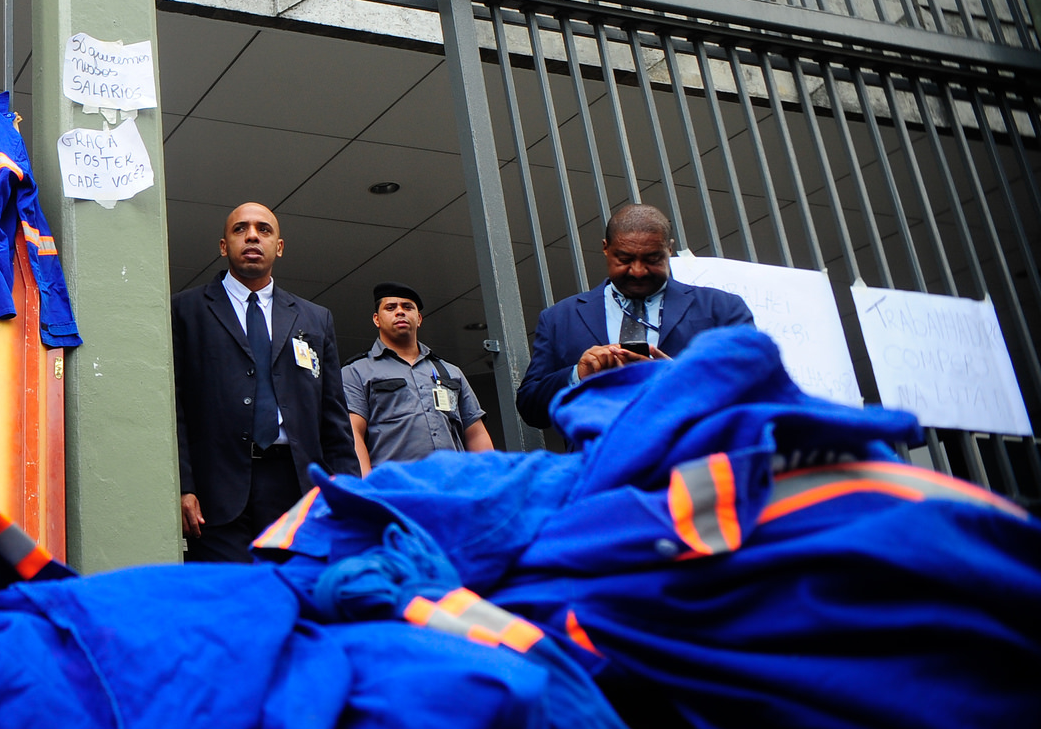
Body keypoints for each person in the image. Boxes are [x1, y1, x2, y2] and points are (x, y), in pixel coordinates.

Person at [171, 203, 361, 563]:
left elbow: (333, 416)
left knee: (296, 599)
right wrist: (184, 486)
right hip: (216, 491)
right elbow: (174, 408)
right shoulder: (185, 310)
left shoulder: (314, 319)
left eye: (264, 229)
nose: (253, 236)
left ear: (280, 246)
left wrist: (346, 493)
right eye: (240, 229)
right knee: (231, 604)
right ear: (224, 246)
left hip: (296, 488)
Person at [515, 202, 754, 430]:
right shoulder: (560, 318)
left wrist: (678, 380)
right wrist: (577, 375)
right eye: (625, 259)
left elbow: (757, 386)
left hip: (696, 464)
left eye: (652, 259)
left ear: (669, 250)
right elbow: (530, 408)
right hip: (603, 466)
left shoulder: (721, 308)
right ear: (605, 248)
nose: (638, 271)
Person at [342, 282, 494, 471]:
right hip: (396, 490)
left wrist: (489, 482)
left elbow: (475, 434)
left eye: (407, 307)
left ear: (419, 318)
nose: (400, 312)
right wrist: (366, 489)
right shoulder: (357, 371)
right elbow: (352, 433)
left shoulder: (451, 372)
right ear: (377, 319)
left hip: (453, 487)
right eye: (390, 307)